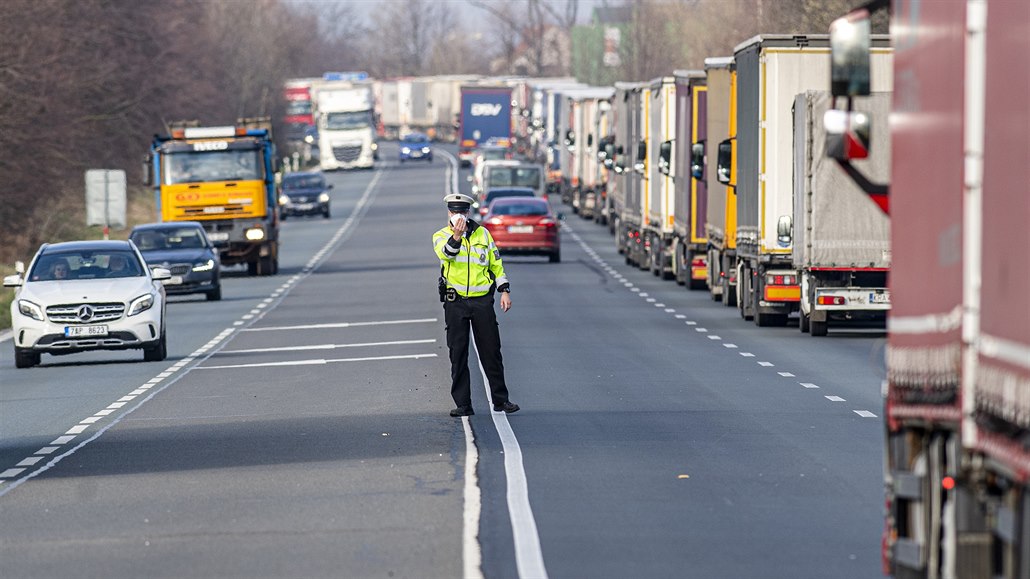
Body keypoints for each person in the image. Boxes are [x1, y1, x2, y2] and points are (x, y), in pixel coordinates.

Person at [433, 193, 519, 417]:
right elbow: (447, 255)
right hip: (456, 302)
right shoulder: (441, 236)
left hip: (482, 301)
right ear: (449, 213)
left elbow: (495, 263)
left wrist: (504, 291)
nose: (458, 216)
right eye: (454, 212)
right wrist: (457, 236)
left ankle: (501, 400)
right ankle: (463, 404)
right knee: (458, 353)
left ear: (468, 213)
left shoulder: (484, 234)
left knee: (491, 351)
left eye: (462, 212)